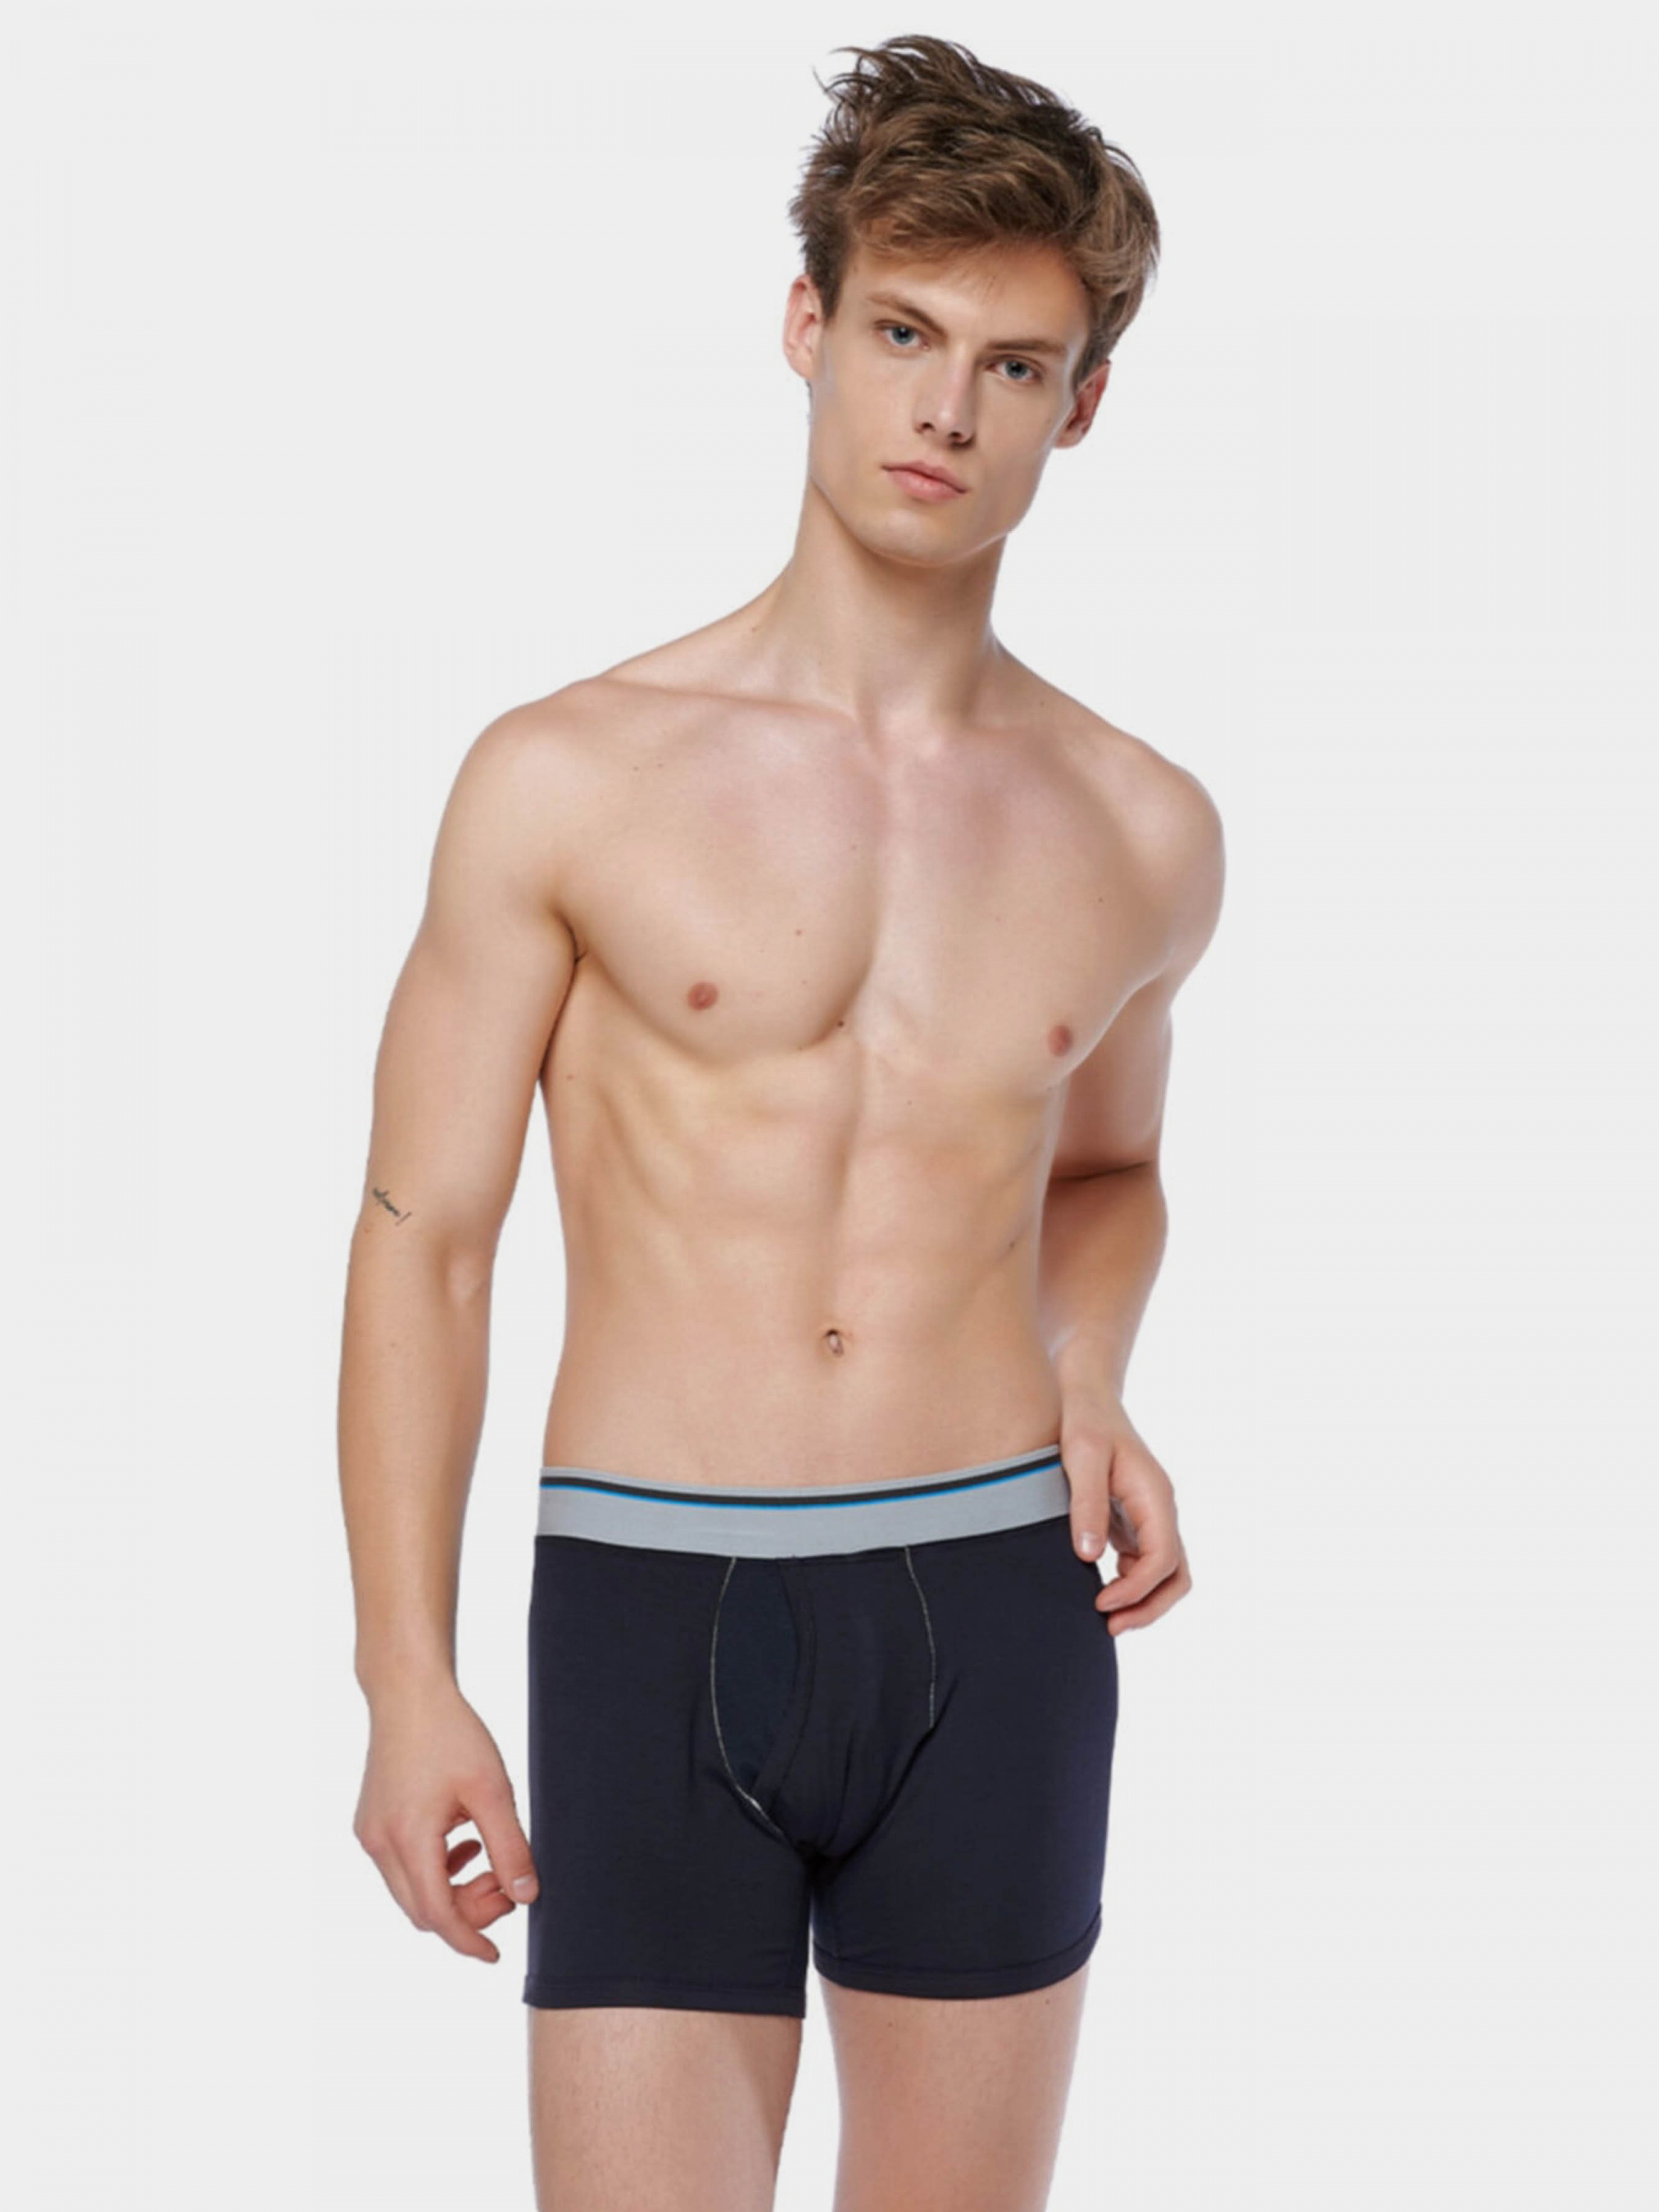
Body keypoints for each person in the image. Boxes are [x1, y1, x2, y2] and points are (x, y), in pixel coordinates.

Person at [338, 31, 1224, 2211]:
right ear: (807, 325)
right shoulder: (568, 776)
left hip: (995, 1603)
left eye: (1013, 366)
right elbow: (423, 1237)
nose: (948, 410)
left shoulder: (1139, 828)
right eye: (905, 334)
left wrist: (1091, 1371)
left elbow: (1110, 1169)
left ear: (1082, 406)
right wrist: (404, 1677)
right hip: (651, 1599)